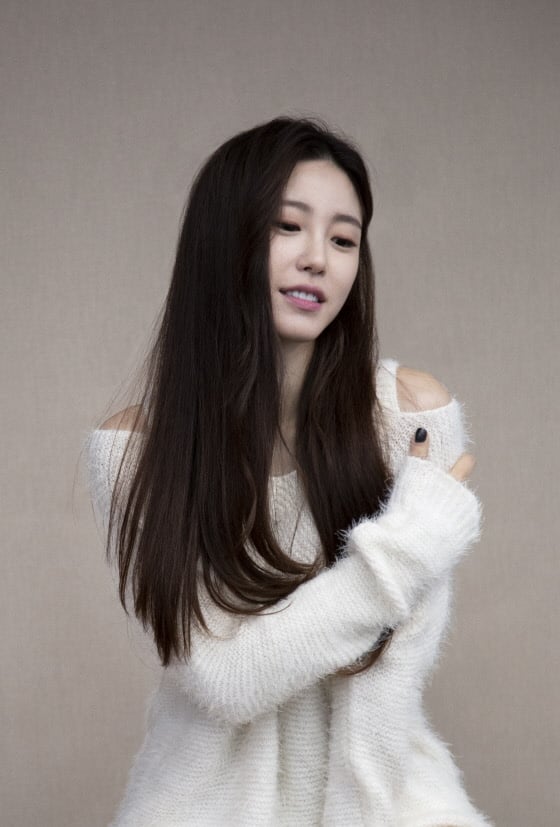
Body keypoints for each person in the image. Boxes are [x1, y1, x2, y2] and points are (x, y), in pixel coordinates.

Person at [85, 117, 492, 826]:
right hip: (203, 805)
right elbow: (225, 677)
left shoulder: (410, 414)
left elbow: (392, 671)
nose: (318, 260)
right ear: (226, 239)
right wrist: (409, 545)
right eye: (288, 227)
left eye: (343, 240)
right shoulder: (138, 449)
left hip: (381, 794)